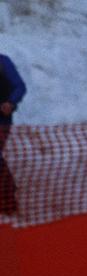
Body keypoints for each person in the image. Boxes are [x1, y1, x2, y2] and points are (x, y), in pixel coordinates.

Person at [0, 52, 26, 215]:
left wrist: (11, 102)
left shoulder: (3, 62)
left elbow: (20, 86)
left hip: (1, 121)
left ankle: (8, 199)